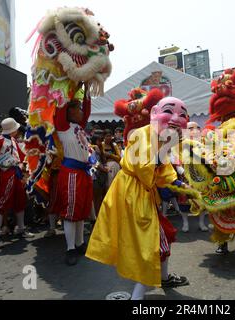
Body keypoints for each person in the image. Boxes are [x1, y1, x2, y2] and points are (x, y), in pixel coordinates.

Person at [86, 97, 190, 300]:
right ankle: (137, 296)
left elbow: (162, 171)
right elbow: (144, 168)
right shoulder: (142, 135)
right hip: (133, 194)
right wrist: (168, 149)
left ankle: (164, 276)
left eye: (183, 114)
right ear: (153, 114)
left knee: (164, 235)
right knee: (149, 246)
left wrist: (179, 184)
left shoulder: (159, 138)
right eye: (169, 111)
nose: (176, 118)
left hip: (143, 194)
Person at [51, 87, 94, 266]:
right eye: (78, 109)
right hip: (71, 173)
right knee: (70, 212)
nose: (82, 112)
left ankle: (79, 244)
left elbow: (88, 109)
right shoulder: (63, 126)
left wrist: (87, 89)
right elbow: (61, 106)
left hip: (83, 172)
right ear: (69, 112)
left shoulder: (79, 126)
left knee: (82, 210)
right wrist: (74, 87)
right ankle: (70, 248)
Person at [0, 118, 34, 248]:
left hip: (16, 173)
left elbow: (21, 157)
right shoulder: (0, 140)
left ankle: (20, 228)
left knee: (20, 200)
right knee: (1, 202)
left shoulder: (13, 140)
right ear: (13, 129)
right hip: (5, 174)